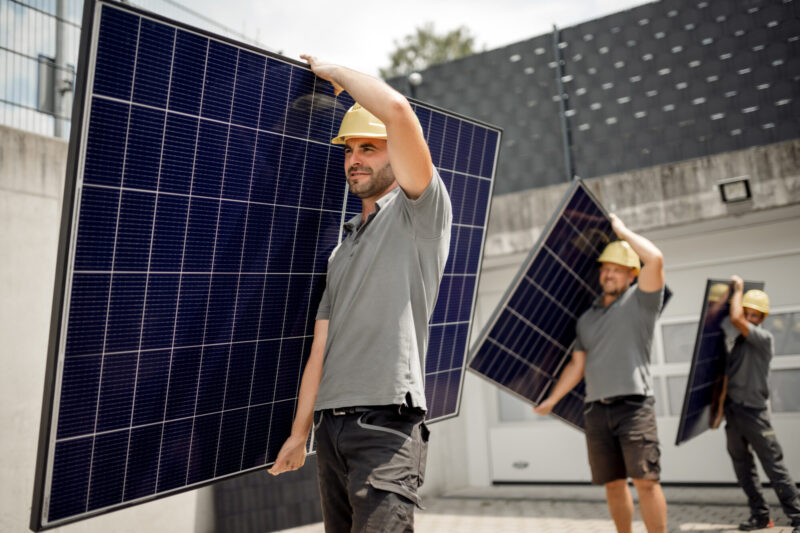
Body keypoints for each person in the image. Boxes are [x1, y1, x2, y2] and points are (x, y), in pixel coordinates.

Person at [267, 54, 452, 533]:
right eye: (349, 151)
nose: (355, 160)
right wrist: (299, 433)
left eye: (369, 148)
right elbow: (320, 348)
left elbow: (397, 111)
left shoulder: (421, 215)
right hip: (331, 431)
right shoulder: (340, 249)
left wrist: (337, 75)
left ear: (397, 153)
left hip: (386, 427)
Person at [534, 215, 668, 533]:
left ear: (631, 275)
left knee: (646, 482)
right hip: (596, 411)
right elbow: (576, 366)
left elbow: (656, 259)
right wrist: (552, 399)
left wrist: (621, 233)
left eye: (616, 269)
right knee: (612, 484)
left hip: (634, 408)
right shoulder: (586, 319)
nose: (608, 274)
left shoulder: (642, 302)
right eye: (605, 269)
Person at [722, 277, 800, 532]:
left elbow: (735, 319)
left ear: (762, 318)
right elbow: (725, 379)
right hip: (733, 413)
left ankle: (798, 516)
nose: (749, 318)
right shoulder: (736, 344)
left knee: (774, 465)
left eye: (755, 315)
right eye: (747, 312)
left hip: (755, 414)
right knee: (743, 468)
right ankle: (761, 517)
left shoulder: (763, 339)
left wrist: (738, 289)